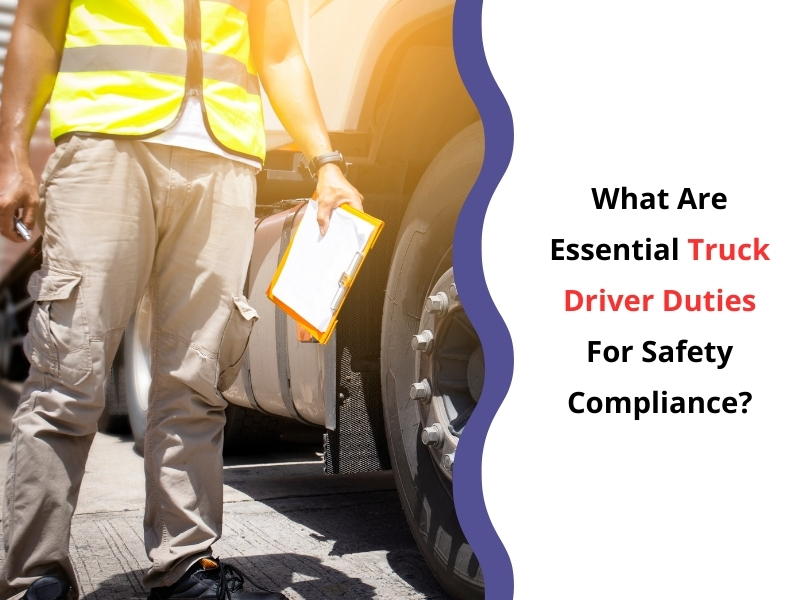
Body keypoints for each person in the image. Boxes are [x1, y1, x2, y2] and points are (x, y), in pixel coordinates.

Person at [0, 0, 363, 598]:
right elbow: (39, 22)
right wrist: (13, 151)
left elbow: (276, 49)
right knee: (69, 373)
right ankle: (34, 576)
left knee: (194, 378)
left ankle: (184, 562)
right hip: (106, 142)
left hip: (222, 160)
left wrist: (325, 160)